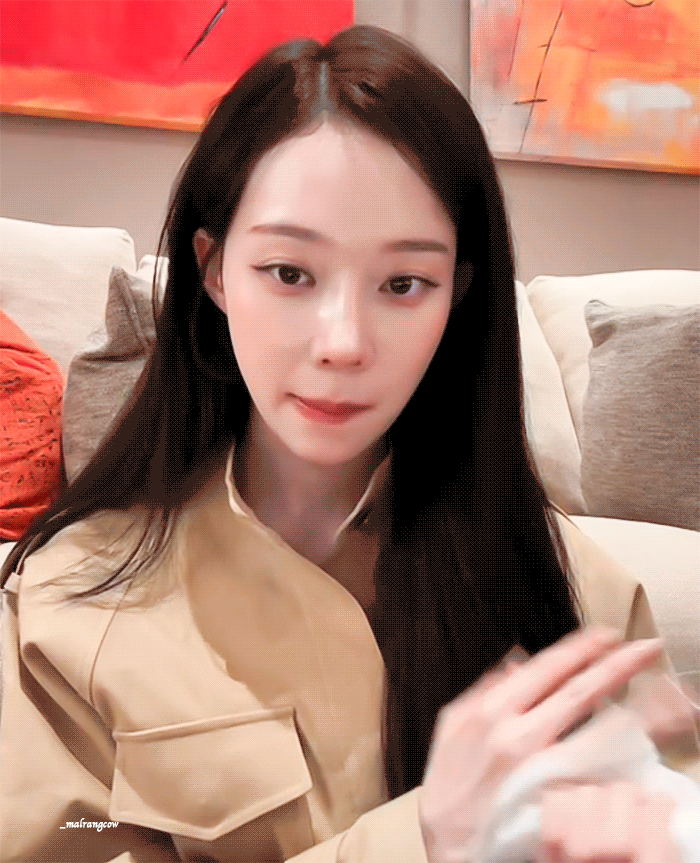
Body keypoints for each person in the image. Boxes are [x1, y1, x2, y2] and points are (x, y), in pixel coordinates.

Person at [0, 24, 697, 863]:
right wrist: (426, 837)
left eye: (403, 284)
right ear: (214, 270)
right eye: (290, 273)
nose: (344, 342)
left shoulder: (576, 586)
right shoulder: (66, 606)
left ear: (454, 297)